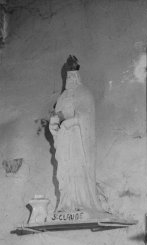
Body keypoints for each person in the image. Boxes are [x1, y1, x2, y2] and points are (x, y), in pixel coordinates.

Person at [49, 55, 104, 215]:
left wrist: (71, 122)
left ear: (77, 77)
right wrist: (55, 120)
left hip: (79, 141)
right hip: (65, 140)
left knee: (79, 169)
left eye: (72, 76)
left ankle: (83, 202)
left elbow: (86, 114)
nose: (69, 79)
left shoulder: (84, 93)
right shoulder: (63, 97)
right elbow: (59, 114)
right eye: (68, 76)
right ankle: (67, 203)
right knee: (64, 170)